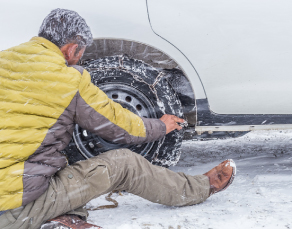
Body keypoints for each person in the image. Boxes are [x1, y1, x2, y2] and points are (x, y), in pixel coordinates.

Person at [0, 9, 236, 229]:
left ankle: (63, 217)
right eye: (81, 54)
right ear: (72, 49)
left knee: (60, 165)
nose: (80, 60)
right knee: (125, 164)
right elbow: (118, 126)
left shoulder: (3, 60)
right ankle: (200, 188)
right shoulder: (68, 79)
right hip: (12, 209)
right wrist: (160, 125)